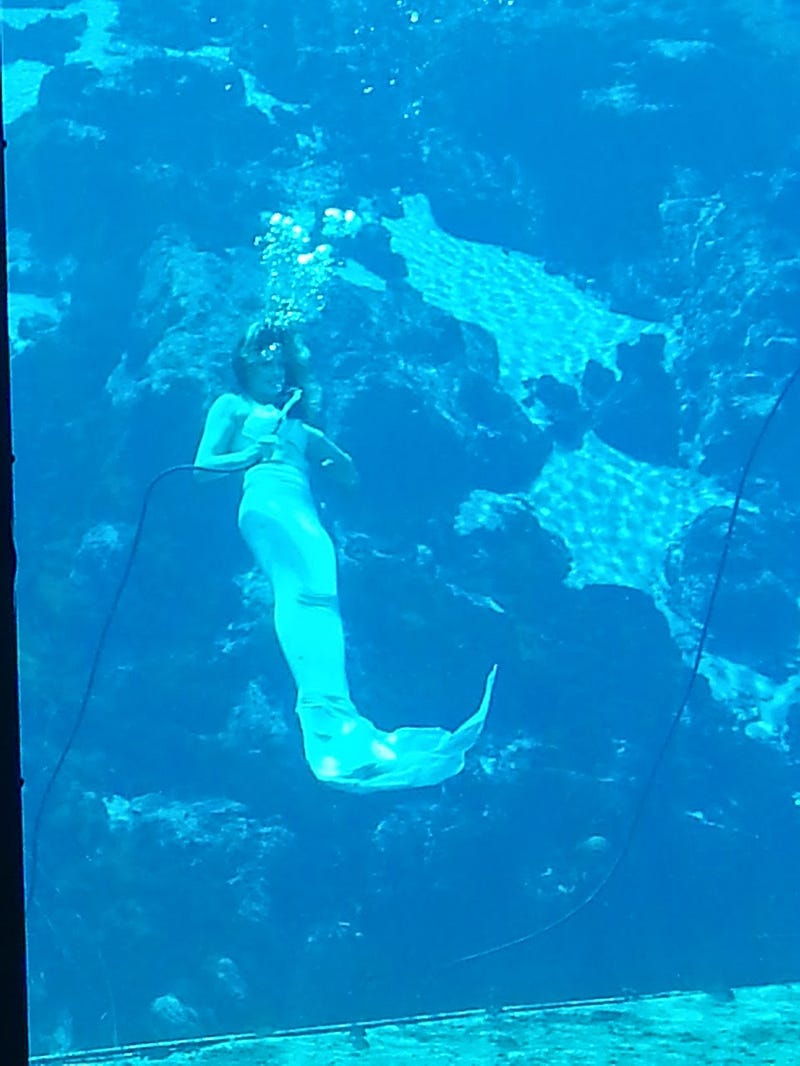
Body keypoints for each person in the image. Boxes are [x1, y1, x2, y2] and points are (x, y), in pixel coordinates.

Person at [194, 322, 496, 792]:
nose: (273, 372)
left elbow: (346, 472)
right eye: (263, 362)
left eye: (279, 363)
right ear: (244, 365)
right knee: (296, 596)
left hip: (303, 514)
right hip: (265, 506)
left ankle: (341, 718)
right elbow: (202, 469)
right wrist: (251, 454)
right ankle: (318, 717)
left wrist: (338, 463)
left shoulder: (298, 426)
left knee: (321, 601)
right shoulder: (232, 407)